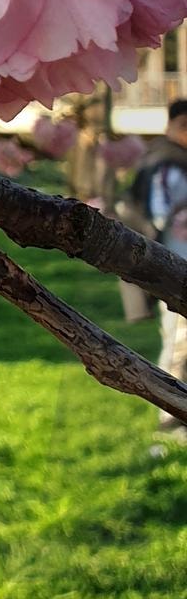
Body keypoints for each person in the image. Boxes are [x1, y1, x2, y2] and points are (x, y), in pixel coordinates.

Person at [129, 100, 187, 418]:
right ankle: (171, 415)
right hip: (176, 265)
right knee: (179, 341)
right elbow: (161, 214)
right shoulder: (167, 163)